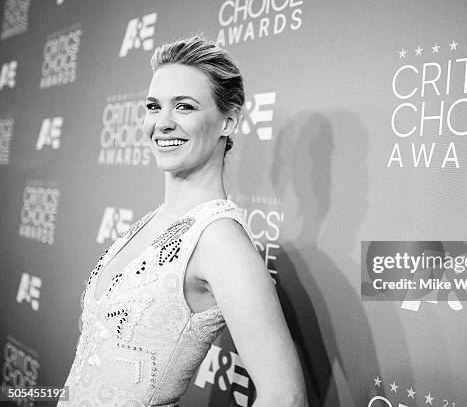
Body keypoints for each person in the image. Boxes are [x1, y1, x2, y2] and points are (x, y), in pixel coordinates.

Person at [58, 34, 307, 406]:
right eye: (154, 106)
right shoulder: (155, 221)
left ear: (229, 120)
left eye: (185, 107)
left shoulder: (220, 240)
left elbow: (285, 396)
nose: (163, 123)